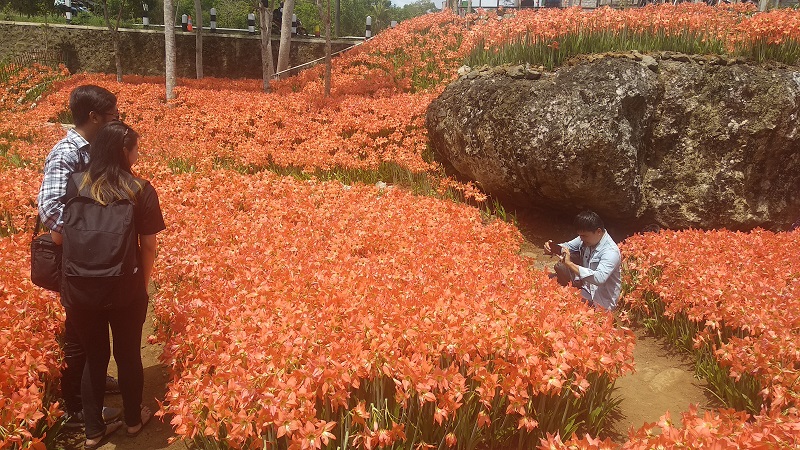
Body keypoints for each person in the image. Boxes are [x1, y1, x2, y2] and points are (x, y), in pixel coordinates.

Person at [54, 122, 165, 448]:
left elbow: (59, 235)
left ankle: (94, 431)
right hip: (124, 288)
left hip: (79, 288)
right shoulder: (140, 188)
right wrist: (141, 286)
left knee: (94, 356)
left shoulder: (75, 184)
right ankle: (132, 421)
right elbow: (149, 247)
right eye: (135, 148)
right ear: (123, 152)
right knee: (129, 354)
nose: (138, 153)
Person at [37, 84, 122, 428]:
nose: (117, 118)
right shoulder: (67, 153)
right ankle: (75, 407)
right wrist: (90, 236)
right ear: (94, 116)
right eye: (113, 114)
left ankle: (95, 383)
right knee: (77, 330)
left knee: (93, 324)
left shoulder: (96, 148)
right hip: (77, 257)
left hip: (96, 256)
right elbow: (50, 208)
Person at [544, 210, 622, 311]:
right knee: (550, 279)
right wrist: (552, 248)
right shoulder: (587, 238)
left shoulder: (611, 252)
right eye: (580, 235)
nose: (581, 239)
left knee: (561, 304)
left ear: (598, 231)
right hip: (585, 288)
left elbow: (599, 278)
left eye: (584, 236)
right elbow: (567, 246)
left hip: (601, 301)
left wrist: (569, 264)